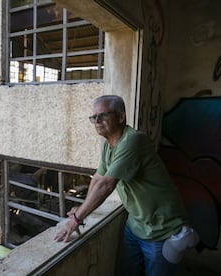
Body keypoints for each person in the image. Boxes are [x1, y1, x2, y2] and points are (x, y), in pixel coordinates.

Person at [54, 95, 195, 276]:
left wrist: (75, 220)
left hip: (161, 229)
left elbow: (106, 185)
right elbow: (98, 178)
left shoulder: (133, 141)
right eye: (94, 117)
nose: (97, 121)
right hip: (135, 224)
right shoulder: (108, 145)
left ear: (121, 117)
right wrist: (81, 208)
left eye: (103, 115)